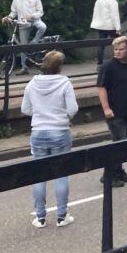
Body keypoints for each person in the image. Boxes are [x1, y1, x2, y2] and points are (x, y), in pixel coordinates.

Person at [20, 50, 78, 228]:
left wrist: (39, 114)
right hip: (59, 130)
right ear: (59, 66)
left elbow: (25, 109)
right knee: (61, 174)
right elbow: (73, 108)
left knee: (39, 175)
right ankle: (62, 216)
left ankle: (40, 217)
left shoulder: (32, 84)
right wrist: (62, 117)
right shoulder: (65, 83)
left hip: (38, 131)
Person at [96, 36, 127, 187]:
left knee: (122, 143)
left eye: (121, 49)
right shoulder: (108, 67)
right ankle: (109, 175)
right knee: (119, 142)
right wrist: (106, 108)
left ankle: (117, 171)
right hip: (115, 112)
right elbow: (101, 88)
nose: (117, 52)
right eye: (115, 49)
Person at [2, 0, 47, 75]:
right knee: (23, 45)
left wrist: (32, 16)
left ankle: (34, 42)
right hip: (23, 23)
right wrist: (8, 17)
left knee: (42, 27)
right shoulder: (16, 0)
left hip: (35, 20)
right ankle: (24, 67)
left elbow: (40, 12)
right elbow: (13, 12)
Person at [90, 0, 121, 65]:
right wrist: (117, 28)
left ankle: (99, 63)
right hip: (110, 26)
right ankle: (118, 60)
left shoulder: (99, 0)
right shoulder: (112, 0)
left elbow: (96, 13)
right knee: (118, 44)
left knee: (101, 45)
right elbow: (115, 15)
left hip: (101, 26)